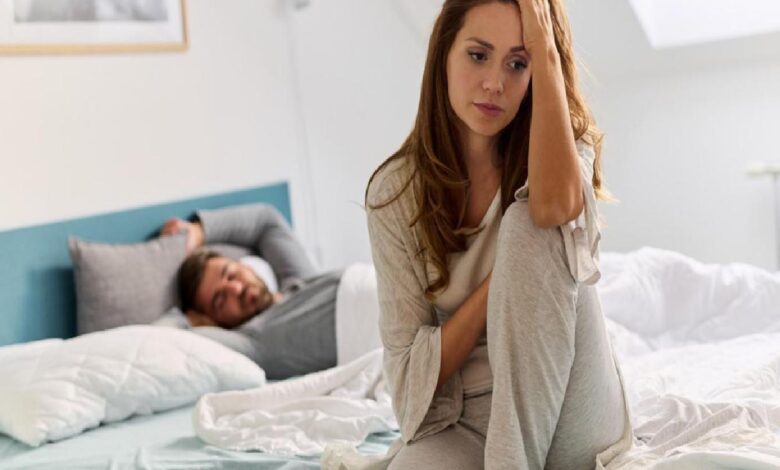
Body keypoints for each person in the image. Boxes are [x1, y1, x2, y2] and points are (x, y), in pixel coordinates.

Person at [364, 0, 632, 468]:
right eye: (477, 55)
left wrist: (547, 50)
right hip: (468, 417)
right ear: (443, 55)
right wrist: (501, 285)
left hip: (571, 396)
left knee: (531, 225)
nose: (495, 83)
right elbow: (409, 378)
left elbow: (553, 210)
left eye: (517, 62)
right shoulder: (394, 194)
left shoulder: (563, 149)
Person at [159, 203, 342, 380]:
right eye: (220, 299)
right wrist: (190, 320)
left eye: (230, 274)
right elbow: (159, 339)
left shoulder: (300, 281)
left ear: (247, 267)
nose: (236, 289)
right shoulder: (253, 343)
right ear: (216, 323)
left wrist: (200, 231)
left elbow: (266, 221)